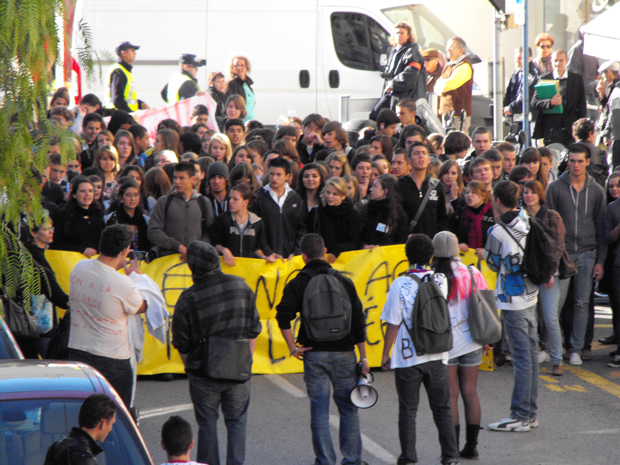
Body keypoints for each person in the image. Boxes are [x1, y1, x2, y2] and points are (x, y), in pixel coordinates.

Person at [276, 233, 368, 465]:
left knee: (319, 410)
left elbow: (283, 316)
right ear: (325, 252)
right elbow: (358, 320)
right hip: (345, 352)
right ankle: (352, 460)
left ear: (303, 256)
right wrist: (364, 357)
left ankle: (325, 461)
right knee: (348, 407)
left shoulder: (299, 282)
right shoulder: (343, 280)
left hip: (313, 353)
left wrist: (292, 348)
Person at [172, 241, 262, 465]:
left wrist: (190, 368)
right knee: (237, 422)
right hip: (239, 370)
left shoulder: (187, 298)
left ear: (192, 267)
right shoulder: (242, 286)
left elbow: (181, 344)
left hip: (203, 373)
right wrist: (246, 360)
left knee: (207, 425)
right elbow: (254, 330)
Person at [380, 234, 459, 465]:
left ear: (407, 256)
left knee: (408, 411)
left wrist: (386, 354)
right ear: (430, 256)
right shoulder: (441, 280)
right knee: (442, 408)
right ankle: (451, 456)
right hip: (438, 353)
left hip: (408, 357)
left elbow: (392, 323)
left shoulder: (399, 284)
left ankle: (408, 458)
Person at [68, 225, 147, 408]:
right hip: (112, 360)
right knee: (115, 417)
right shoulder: (123, 282)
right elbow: (142, 306)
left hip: (78, 352)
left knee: (84, 413)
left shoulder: (79, 267)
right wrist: (137, 276)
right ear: (125, 251)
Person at [484, 181, 540, 432]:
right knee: (530, 357)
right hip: (532, 296)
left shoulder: (497, 232)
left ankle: (519, 416)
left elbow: (493, 263)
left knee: (520, 359)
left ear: (497, 200)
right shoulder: (527, 220)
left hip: (512, 301)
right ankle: (530, 413)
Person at [547, 143, 606, 366]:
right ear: (567, 161)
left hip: (588, 254)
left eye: (580, 161)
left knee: (582, 302)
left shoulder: (597, 190)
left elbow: (600, 228)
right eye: (572, 160)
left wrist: (600, 260)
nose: (576, 165)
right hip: (563, 255)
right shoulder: (555, 187)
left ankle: (576, 349)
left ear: (587, 162)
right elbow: (548, 225)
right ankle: (555, 345)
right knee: (558, 303)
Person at [431, 231, 488, 460]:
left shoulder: (432, 277)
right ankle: (471, 447)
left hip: (445, 344)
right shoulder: (472, 272)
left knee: (450, 396)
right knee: (470, 392)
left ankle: (452, 449)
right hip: (472, 340)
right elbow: (484, 305)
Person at [522, 180, 566, 376]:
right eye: (525, 192)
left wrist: (549, 271)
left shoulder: (551, 216)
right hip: (528, 273)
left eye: (532, 192)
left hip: (549, 273)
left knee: (550, 317)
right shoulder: (520, 216)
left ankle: (557, 360)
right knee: (528, 318)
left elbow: (558, 246)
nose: (529, 195)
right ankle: (528, 357)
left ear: (540, 194)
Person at [148, 161, 214, 259]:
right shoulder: (164, 202)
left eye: (181, 178)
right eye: (175, 177)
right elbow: (153, 232)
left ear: (192, 179)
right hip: (168, 261)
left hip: (195, 262)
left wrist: (195, 250)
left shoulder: (204, 202)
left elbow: (210, 233)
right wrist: (178, 246)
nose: (177, 181)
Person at [251, 157, 305, 259]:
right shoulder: (258, 197)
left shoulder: (296, 199)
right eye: (271, 174)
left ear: (287, 176)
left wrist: (295, 253)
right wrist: (267, 252)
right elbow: (255, 229)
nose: (274, 178)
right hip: (265, 259)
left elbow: (302, 229)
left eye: (278, 174)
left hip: (290, 260)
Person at [532, 49, 587, 147]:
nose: (558, 64)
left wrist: (581, 129)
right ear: (551, 62)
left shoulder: (576, 79)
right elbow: (534, 102)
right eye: (555, 61)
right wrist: (551, 102)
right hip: (552, 130)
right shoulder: (544, 78)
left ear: (566, 61)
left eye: (561, 60)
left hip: (571, 130)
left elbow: (582, 105)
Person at [209, 184, 275, 266]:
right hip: (227, 268)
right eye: (230, 198)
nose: (230, 202)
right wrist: (224, 250)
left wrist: (263, 257)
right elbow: (214, 243)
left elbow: (256, 247)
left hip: (247, 269)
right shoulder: (222, 219)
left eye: (235, 199)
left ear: (246, 202)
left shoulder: (257, 222)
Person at [44, 394, 117, 465]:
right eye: (111, 424)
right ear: (103, 423)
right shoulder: (85, 459)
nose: (110, 429)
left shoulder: (56, 447)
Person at [397, 141, 448, 238]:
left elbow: (442, 218)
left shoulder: (437, 186)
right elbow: (395, 216)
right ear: (408, 160)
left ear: (428, 159)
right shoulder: (400, 185)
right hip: (406, 243)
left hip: (431, 243)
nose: (421, 156)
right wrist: (404, 235)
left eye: (424, 153)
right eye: (416, 154)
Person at [310, 177, 361, 263]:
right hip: (320, 262)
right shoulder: (315, 213)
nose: (330, 197)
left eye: (335, 194)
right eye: (328, 192)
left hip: (346, 263)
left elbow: (356, 242)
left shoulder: (352, 214)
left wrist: (337, 249)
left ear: (343, 196)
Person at [51, 176, 105, 257]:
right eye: (83, 191)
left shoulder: (98, 214)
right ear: (74, 194)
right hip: (70, 262)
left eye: (90, 191)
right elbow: (56, 243)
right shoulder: (63, 215)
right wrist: (82, 250)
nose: (87, 194)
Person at [381, 21, 425, 110]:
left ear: (409, 36)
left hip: (406, 99)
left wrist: (393, 84)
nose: (399, 35)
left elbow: (412, 73)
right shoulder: (394, 50)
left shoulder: (412, 51)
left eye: (402, 33)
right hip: (394, 96)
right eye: (397, 33)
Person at [434, 37, 473, 133]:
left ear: (461, 49)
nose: (447, 50)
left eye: (451, 47)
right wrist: (440, 86)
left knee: (459, 141)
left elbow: (449, 84)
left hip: (458, 113)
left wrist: (441, 86)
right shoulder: (449, 65)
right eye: (447, 47)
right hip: (447, 112)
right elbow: (436, 85)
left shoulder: (464, 66)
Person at [449, 180, 494, 259]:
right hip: (464, 259)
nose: (469, 195)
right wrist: (458, 244)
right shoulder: (459, 214)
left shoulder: (493, 214)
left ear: (483, 195)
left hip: (487, 263)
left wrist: (488, 252)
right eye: (467, 192)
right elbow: (449, 235)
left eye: (473, 192)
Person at [360, 174, 408, 247]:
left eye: (375, 186)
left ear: (385, 191)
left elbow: (401, 241)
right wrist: (363, 245)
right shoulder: (365, 209)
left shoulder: (398, 214)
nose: (371, 189)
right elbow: (356, 235)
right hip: (364, 255)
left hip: (386, 256)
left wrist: (382, 247)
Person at [105, 179, 151, 253]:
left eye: (135, 195)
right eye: (128, 195)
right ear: (121, 197)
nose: (132, 199)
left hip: (143, 261)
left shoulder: (146, 220)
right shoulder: (111, 219)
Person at [503, 47, 540, 131]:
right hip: (516, 118)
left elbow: (527, 99)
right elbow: (509, 93)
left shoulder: (532, 75)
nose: (517, 60)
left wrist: (511, 108)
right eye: (516, 58)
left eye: (520, 58)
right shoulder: (517, 73)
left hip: (528, 120)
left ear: (529, 59)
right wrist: (505, 107)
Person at [108, 41, 149, 112]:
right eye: (132, 51)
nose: (135, 53)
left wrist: (139, 104)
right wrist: (130, 116)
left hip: (123, 116)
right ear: (124, 53)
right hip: (120, 117)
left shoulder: (125, 71)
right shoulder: (118, 72)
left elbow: (127, 97)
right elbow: (118, 100)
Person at [597, 61, 620, 170]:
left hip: (617, 137)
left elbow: (614, 113)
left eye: (604, 73)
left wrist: (607, 133)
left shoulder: (617, 90)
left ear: (609, 73)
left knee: (615, 169)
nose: (602, 76)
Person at [227, 55, 255, 121]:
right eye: (236, 65)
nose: (239, 68)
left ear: (247, 67)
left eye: (242, 65)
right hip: (240, 123)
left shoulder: (247, 85)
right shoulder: (231, 84)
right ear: (232, 68)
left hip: (251, 122)